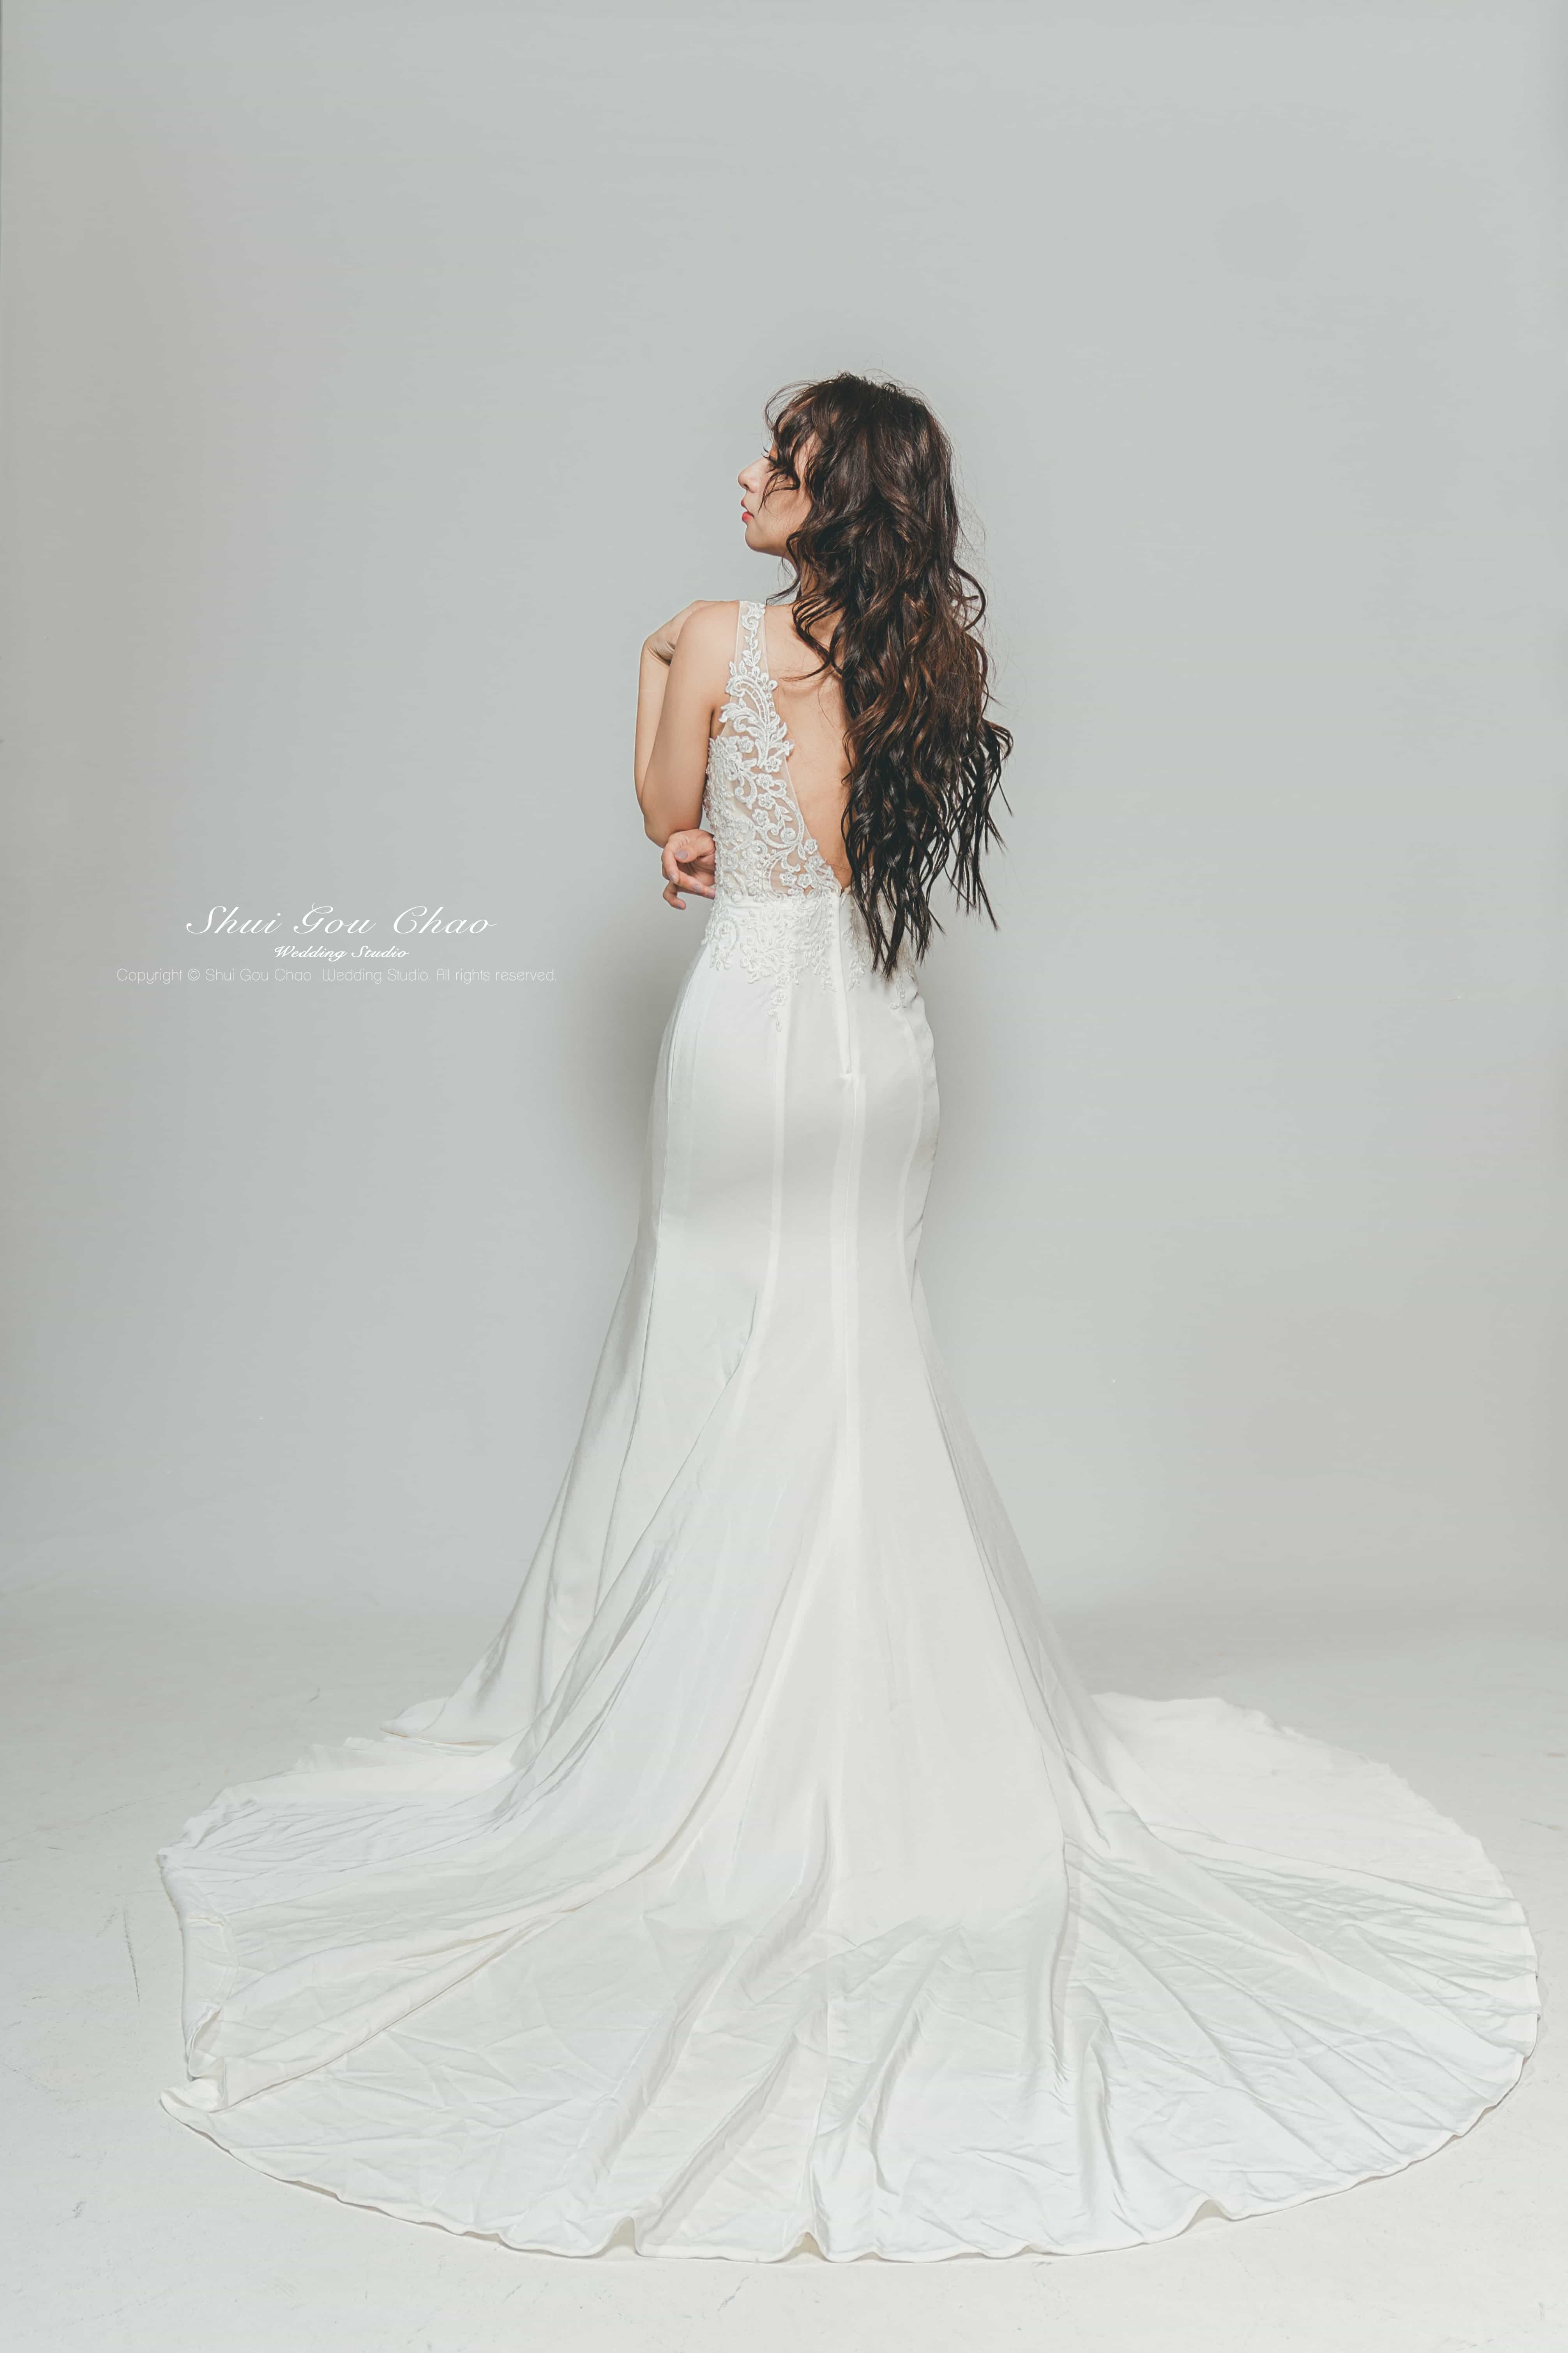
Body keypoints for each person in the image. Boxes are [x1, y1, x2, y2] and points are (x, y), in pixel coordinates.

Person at [158, 373, 1537, 2262]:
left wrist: (655, 674)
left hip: (746, 1034)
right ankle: (895, 1743)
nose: (744, 473)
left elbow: (670, 812)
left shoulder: (714, 632)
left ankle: (694, 1744)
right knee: (856, 1359)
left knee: (718, 1351)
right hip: (873, 1042)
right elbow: (834, 847)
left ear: (831, 497)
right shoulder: (926, 668)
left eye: (778, 460)